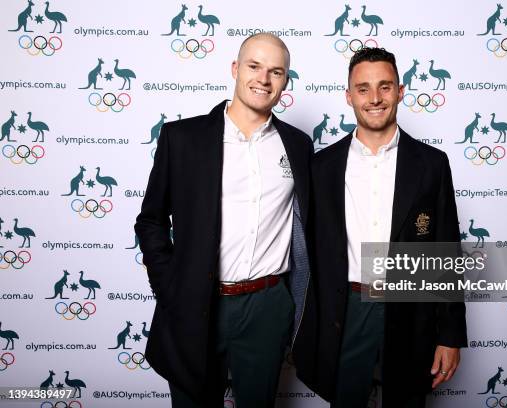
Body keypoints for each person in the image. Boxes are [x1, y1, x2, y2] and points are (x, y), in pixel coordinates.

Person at [135, 33, 313, 407]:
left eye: (275, 71)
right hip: (197, 302)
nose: (263, 79)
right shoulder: (182, 138)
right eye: (254, 66)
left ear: (285, 81)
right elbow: (150, 220)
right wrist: (171, 288)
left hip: (267, 306)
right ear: (235, 69)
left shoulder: (297, 144)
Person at [294, 47, 467, 407]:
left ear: (400, 91)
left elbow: (446, 252)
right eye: (363, 89)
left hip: (409, 308)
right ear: (349, 96)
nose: (375, 98)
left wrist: (450, 336)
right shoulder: (322, 167)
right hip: (345, 309)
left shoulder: (432, 164)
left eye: (385, 87)